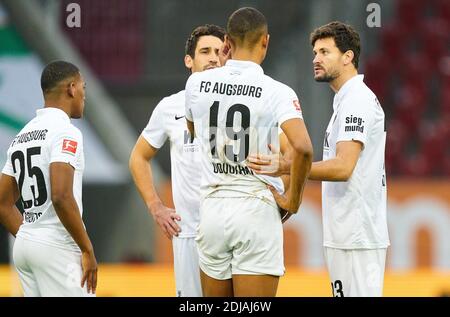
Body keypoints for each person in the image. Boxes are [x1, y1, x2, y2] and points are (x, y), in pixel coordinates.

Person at [247, 21, 390, 297]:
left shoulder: (357, 100)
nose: (316, 58)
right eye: (315, 52)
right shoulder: (345, 101)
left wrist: (290, 166)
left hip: (357, 236)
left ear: (348, 57)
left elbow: (343, 166)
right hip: (346, 234)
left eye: (325, 52)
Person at [185, 7, 313, 297]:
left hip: (213, 209)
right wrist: (292, 200)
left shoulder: (196, 83)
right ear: (265, 41)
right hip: (256, 207)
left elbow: (194, 131)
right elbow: (303, 148)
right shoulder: (277, 91)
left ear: (226, 42)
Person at [129, 24, 226, 297]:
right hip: (188, 233)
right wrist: (155, 206)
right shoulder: (170, 106)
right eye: (205, 51)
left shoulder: (240, 104)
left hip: (230, 229)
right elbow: (138, 157)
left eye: (219, 51)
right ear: (189, 60)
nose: (213, 58)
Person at [0, 60, 97, 296]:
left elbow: (2, 202)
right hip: (58, 246)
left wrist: (29, 236)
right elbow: (61, 196)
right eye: (83, 87)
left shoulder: (22, 135)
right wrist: (87, 250)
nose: (85, 94)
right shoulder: (66, 132)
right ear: (71, 88)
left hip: (25, 246)